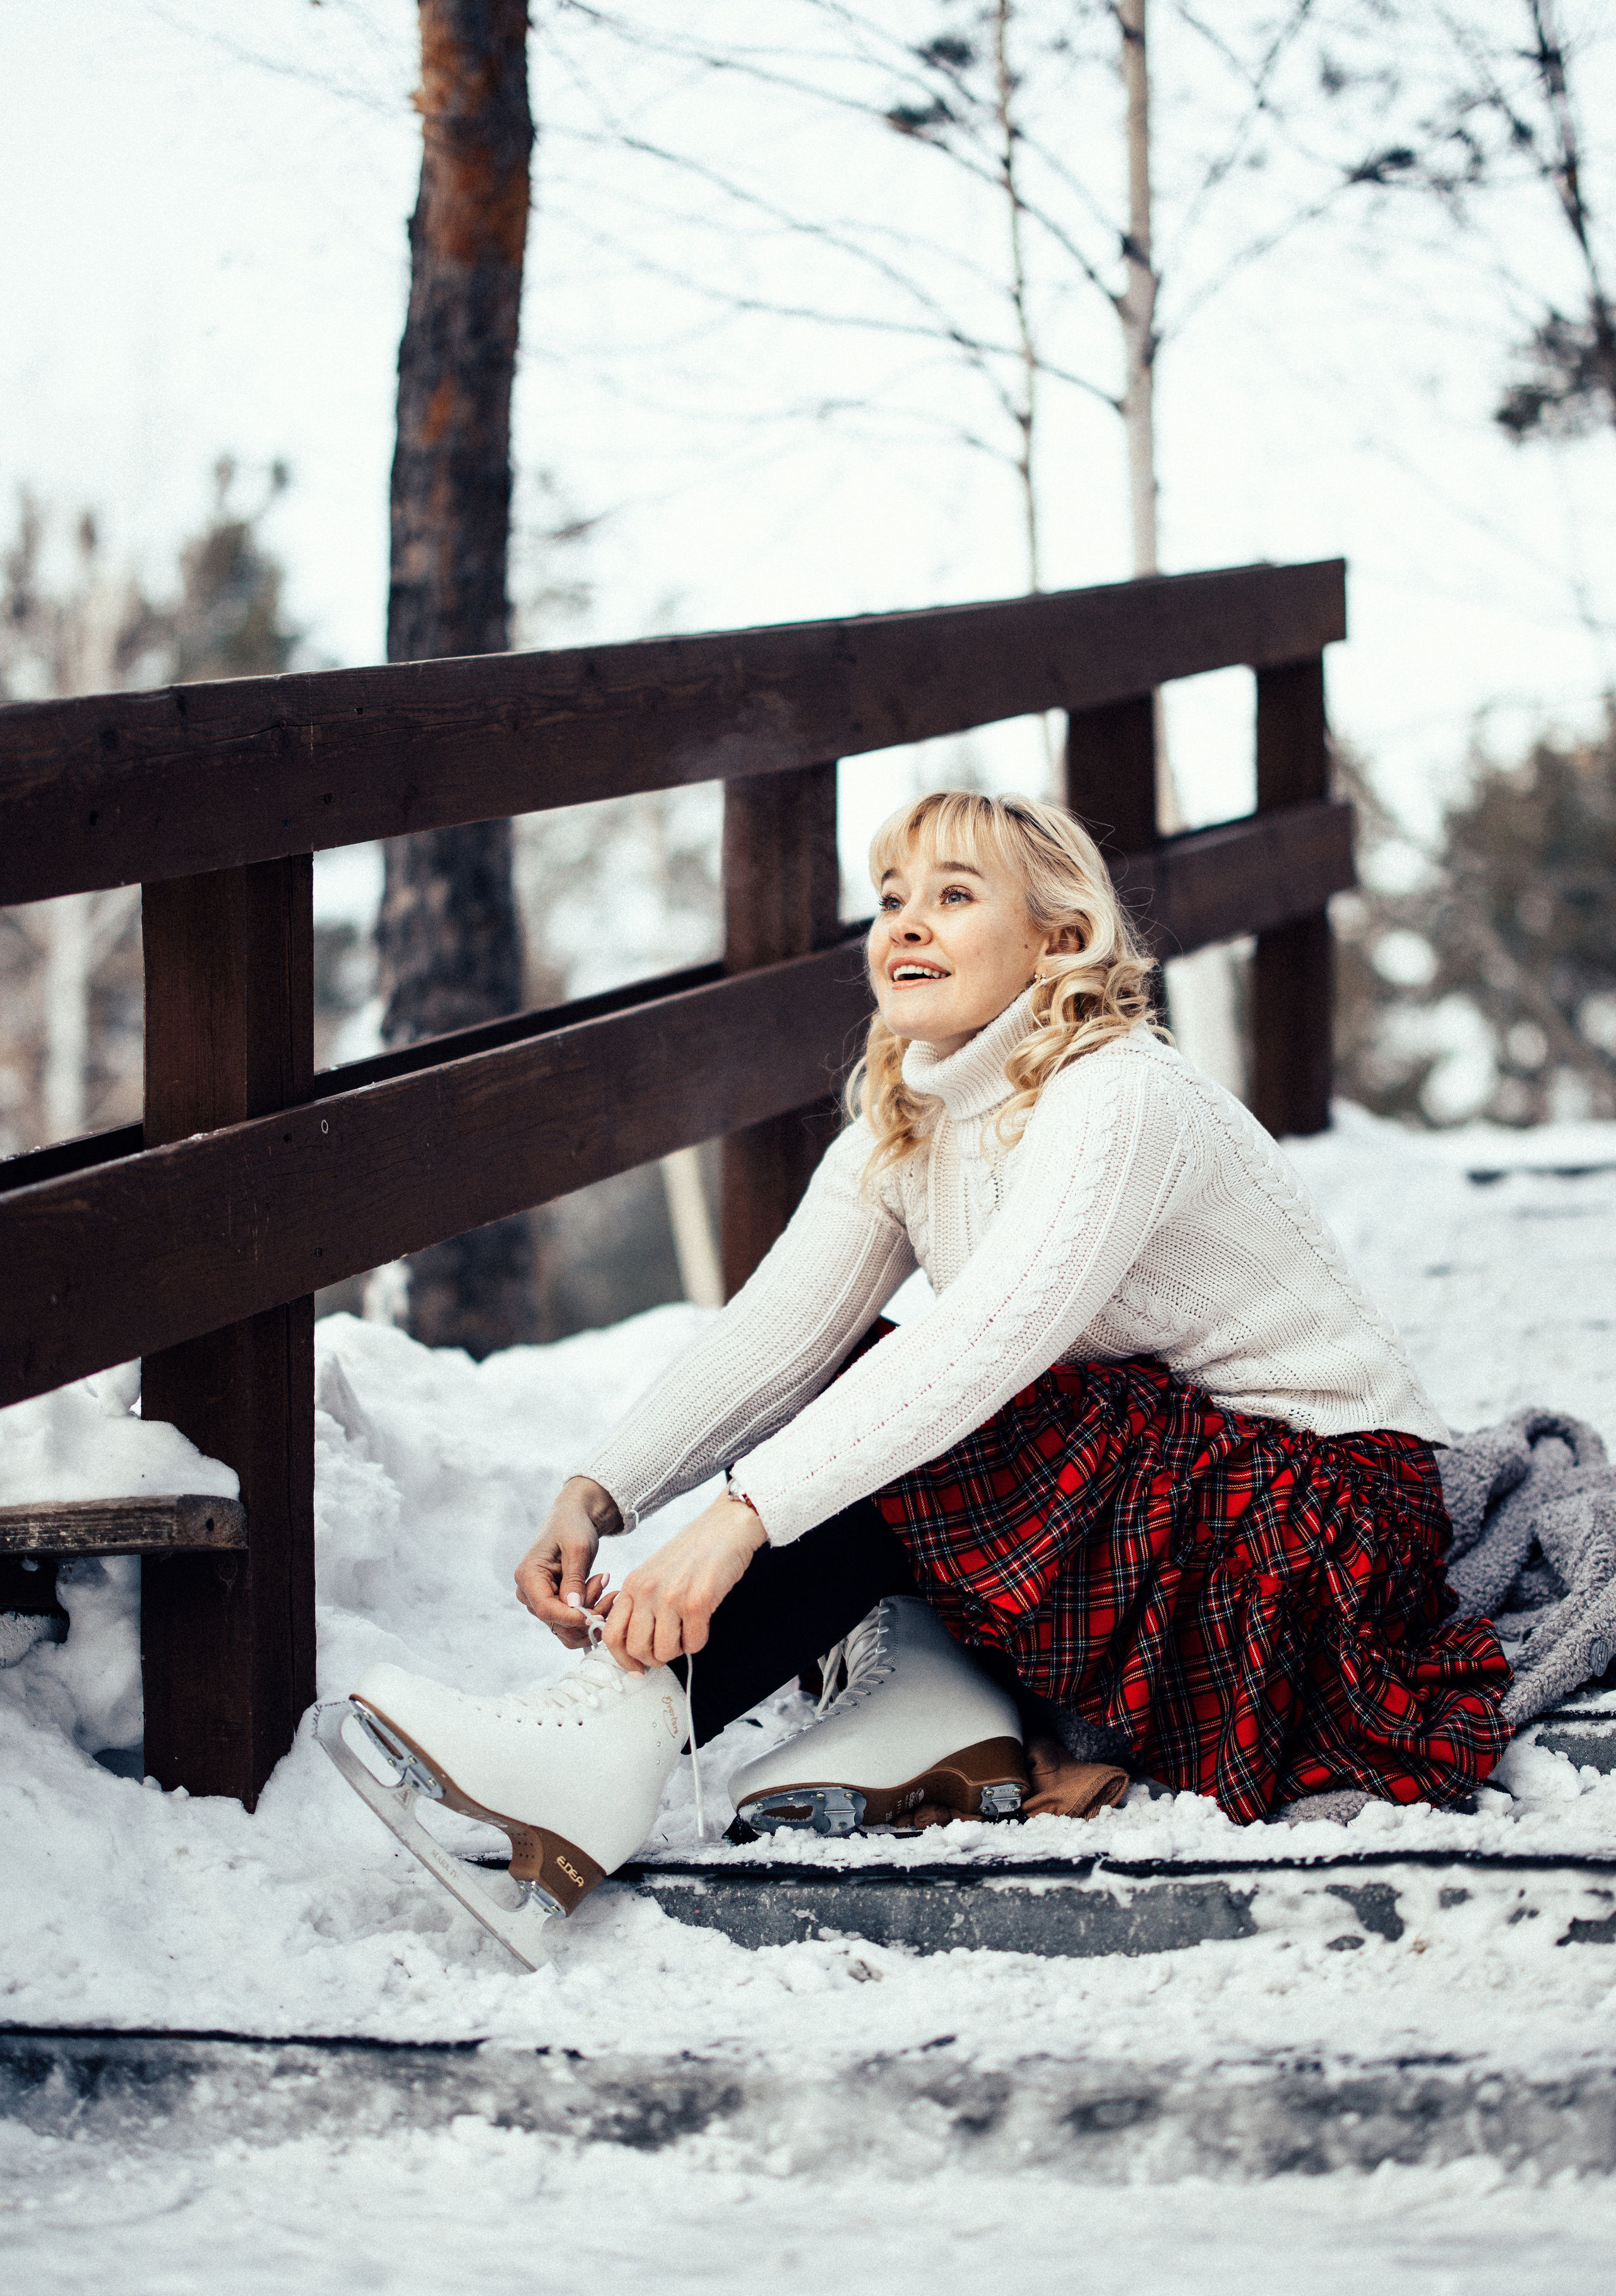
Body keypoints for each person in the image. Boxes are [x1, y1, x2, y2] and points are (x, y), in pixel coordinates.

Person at [340, 790, 1512, 1924]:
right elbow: (775, 1335)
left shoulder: (1119, 1091)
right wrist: (599, 1490)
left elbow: (985, 1340)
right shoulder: (910, 1118)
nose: (905, 922)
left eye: (954, 895)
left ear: (1057, 940)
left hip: (1325, 1528)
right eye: (892, 897)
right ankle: (641, 1730)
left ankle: (611, 1736)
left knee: (956, 1392)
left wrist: (738, 1520)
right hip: (1184, 1506)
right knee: (876, 1376)